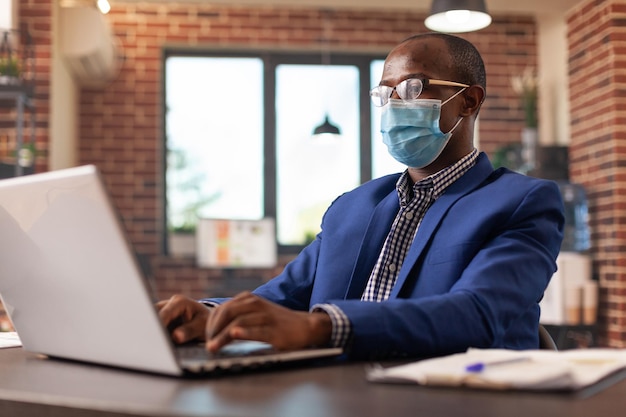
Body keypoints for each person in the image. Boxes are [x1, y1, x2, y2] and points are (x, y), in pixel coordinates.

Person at [158, 32, 564, 360]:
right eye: (385, 94)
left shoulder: (521, 202)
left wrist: (323, 327)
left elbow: (478, 313)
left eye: (411, 88)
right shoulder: (352, 207)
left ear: (469, 101)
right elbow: (282, 298)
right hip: (339, 396)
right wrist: (210, 315)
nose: (392, 106)